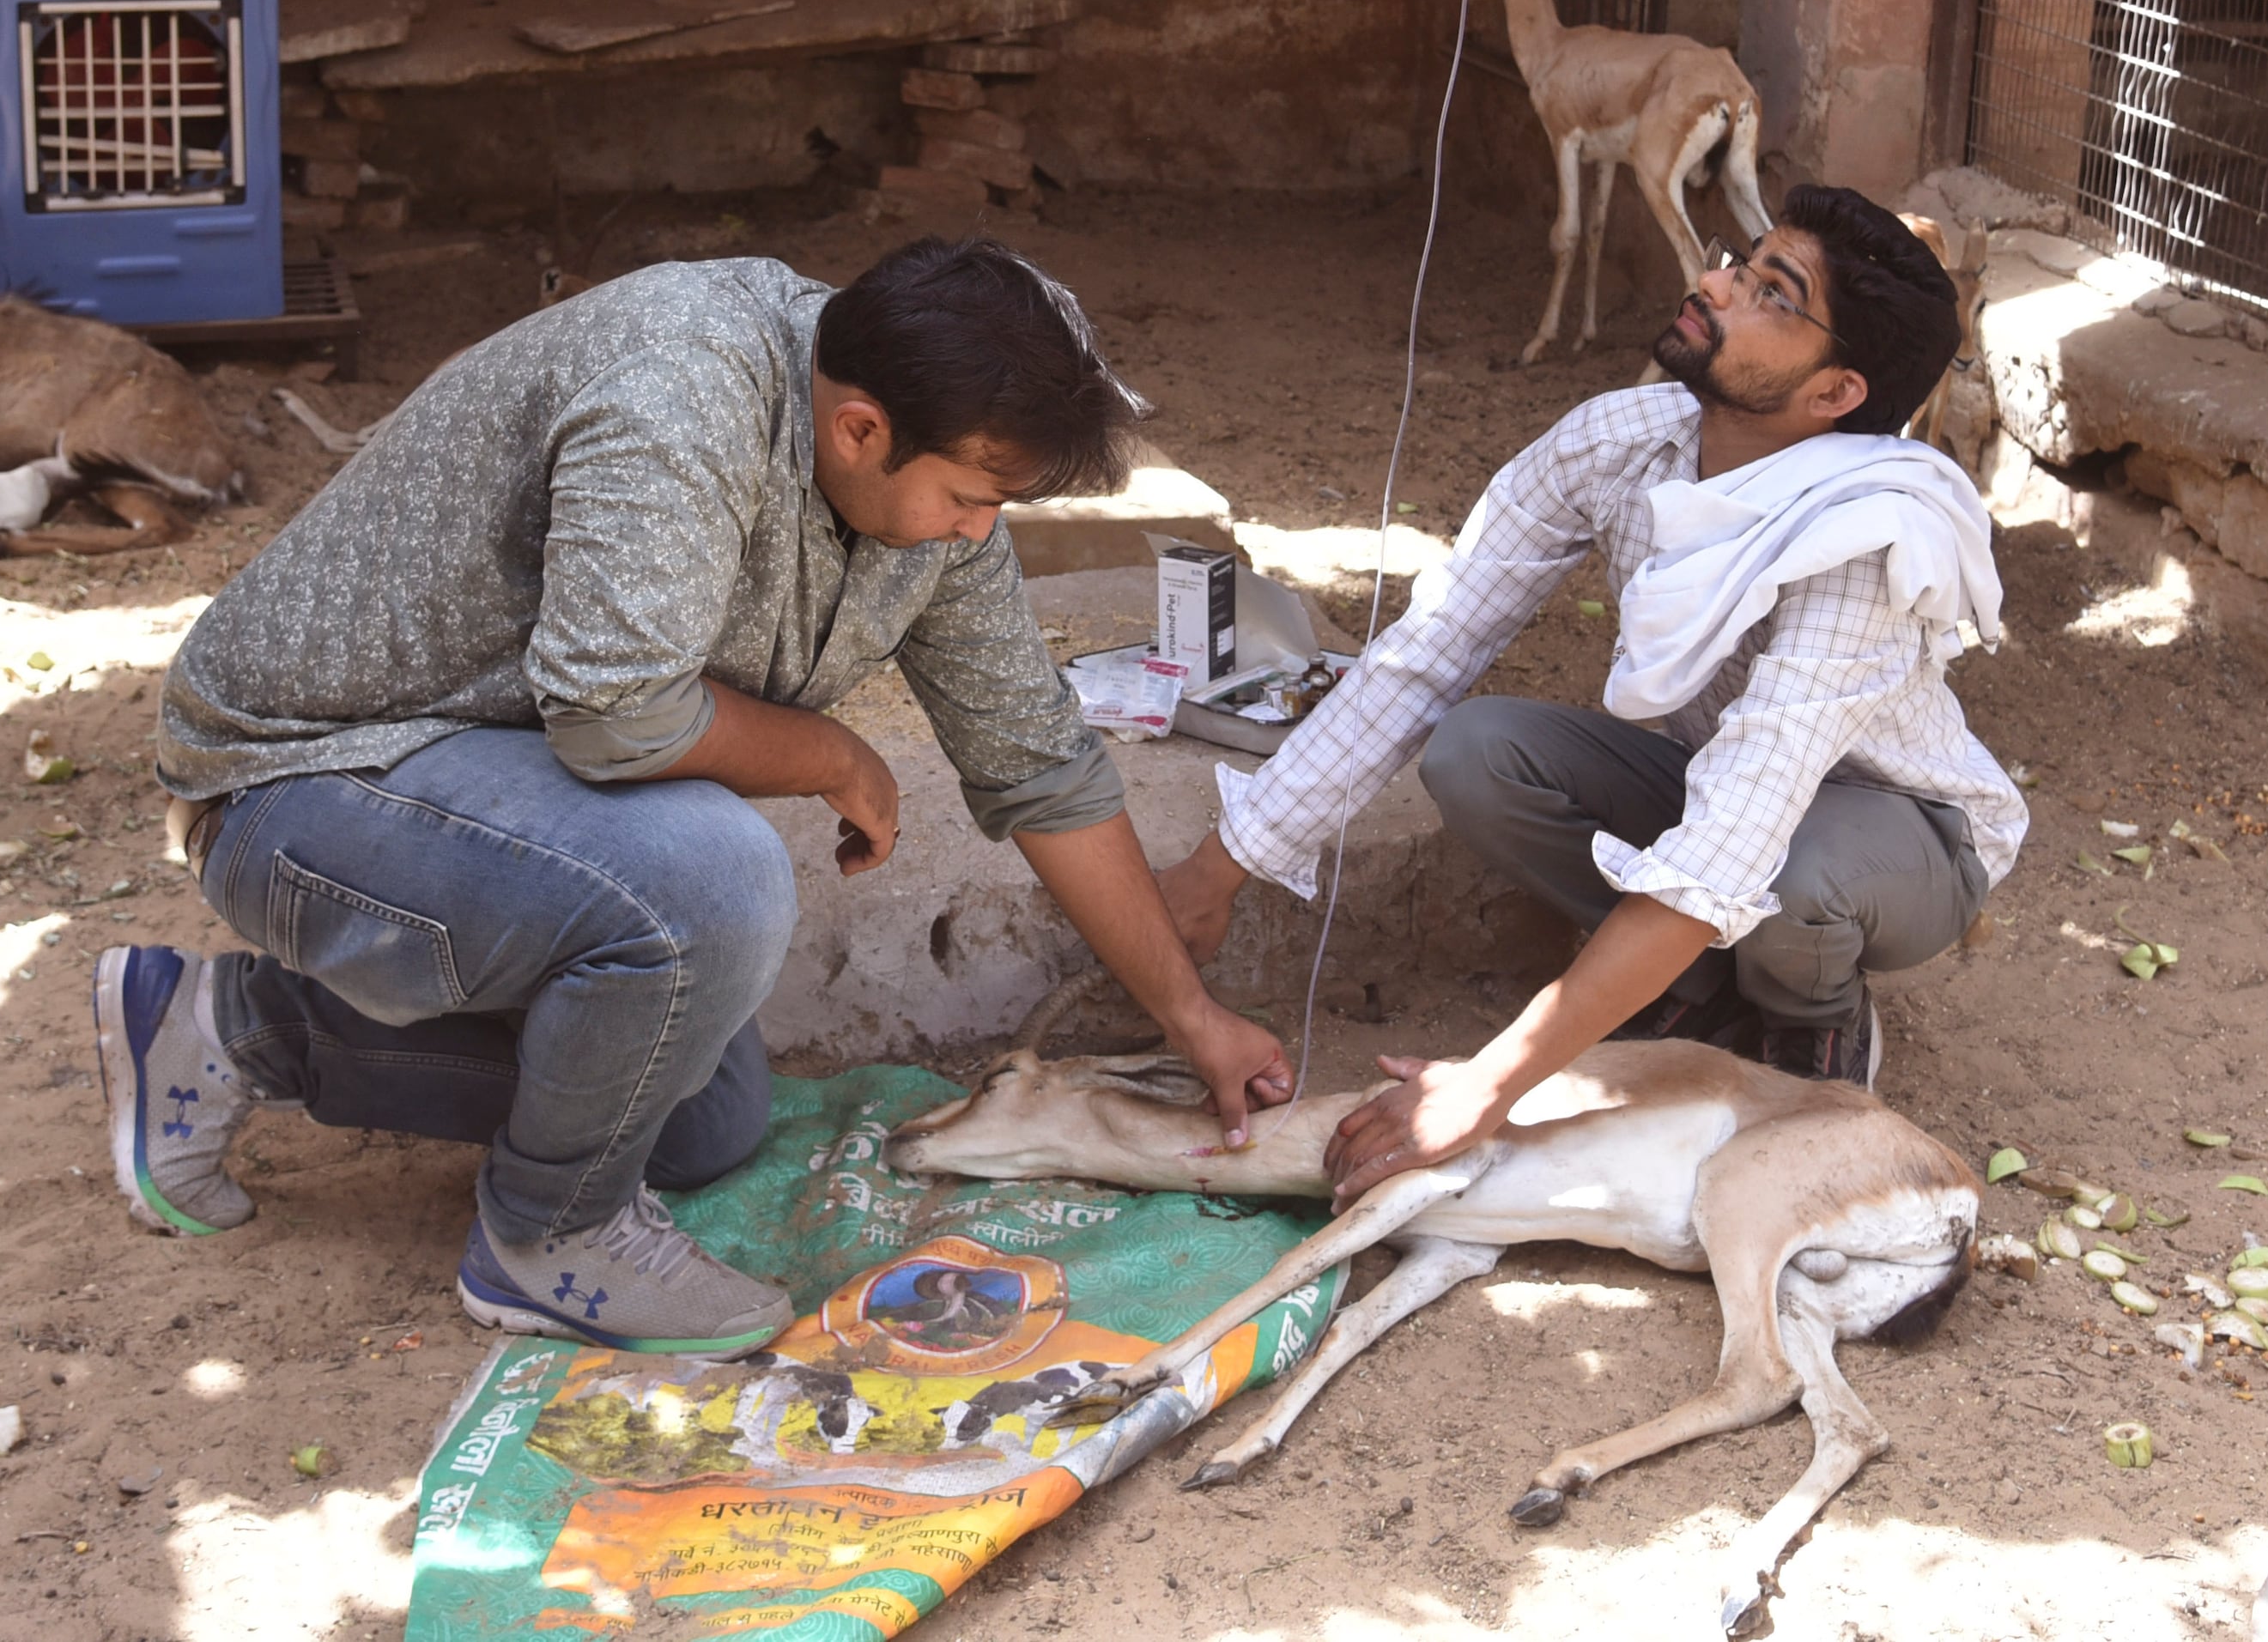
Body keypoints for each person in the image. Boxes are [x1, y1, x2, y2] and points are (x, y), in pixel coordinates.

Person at [97, 238, 1294, 1356]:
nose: (980, 531)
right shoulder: (682, 394)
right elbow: (618, 718)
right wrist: (833, 756)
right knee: (712, 879)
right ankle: (542, 1238)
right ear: (862, 429)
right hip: (300, 782)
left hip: (480, 786)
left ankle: (227, 1027)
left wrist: (1192, 1018)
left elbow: (1038, 763)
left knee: (698, 1120)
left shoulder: (927, 480)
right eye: (974, 494)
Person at [1152, 184, 2020, 1203]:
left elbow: (1730, 840)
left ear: (1833, 393)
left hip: (1900, 835)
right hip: (1725, 795)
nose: (1711, 284)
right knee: (1476, 752)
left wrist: (1488, 1085)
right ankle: (1692, 984)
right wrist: (1220, 869)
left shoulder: (1864, 536)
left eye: (1767, 293)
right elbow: (1427, 650)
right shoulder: (1619, 438)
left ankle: (1811, 1009)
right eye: (1740, 261)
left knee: (1791, 874)